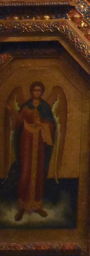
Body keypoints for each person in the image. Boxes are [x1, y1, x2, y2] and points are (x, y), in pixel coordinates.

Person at [9, 82, 55, 221]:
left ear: (42, 92)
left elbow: (52, 125)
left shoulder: (45, 107)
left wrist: (42, 124)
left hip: (40, 143)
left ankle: (36, 205)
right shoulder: (26, 106)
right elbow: (17, 123)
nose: (36, 92)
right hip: (27, 141)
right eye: (34, 90)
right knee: (26, 171)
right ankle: (22, 206)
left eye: (39, 90)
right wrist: (12, 112)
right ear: (31, 91)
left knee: (39, 172)